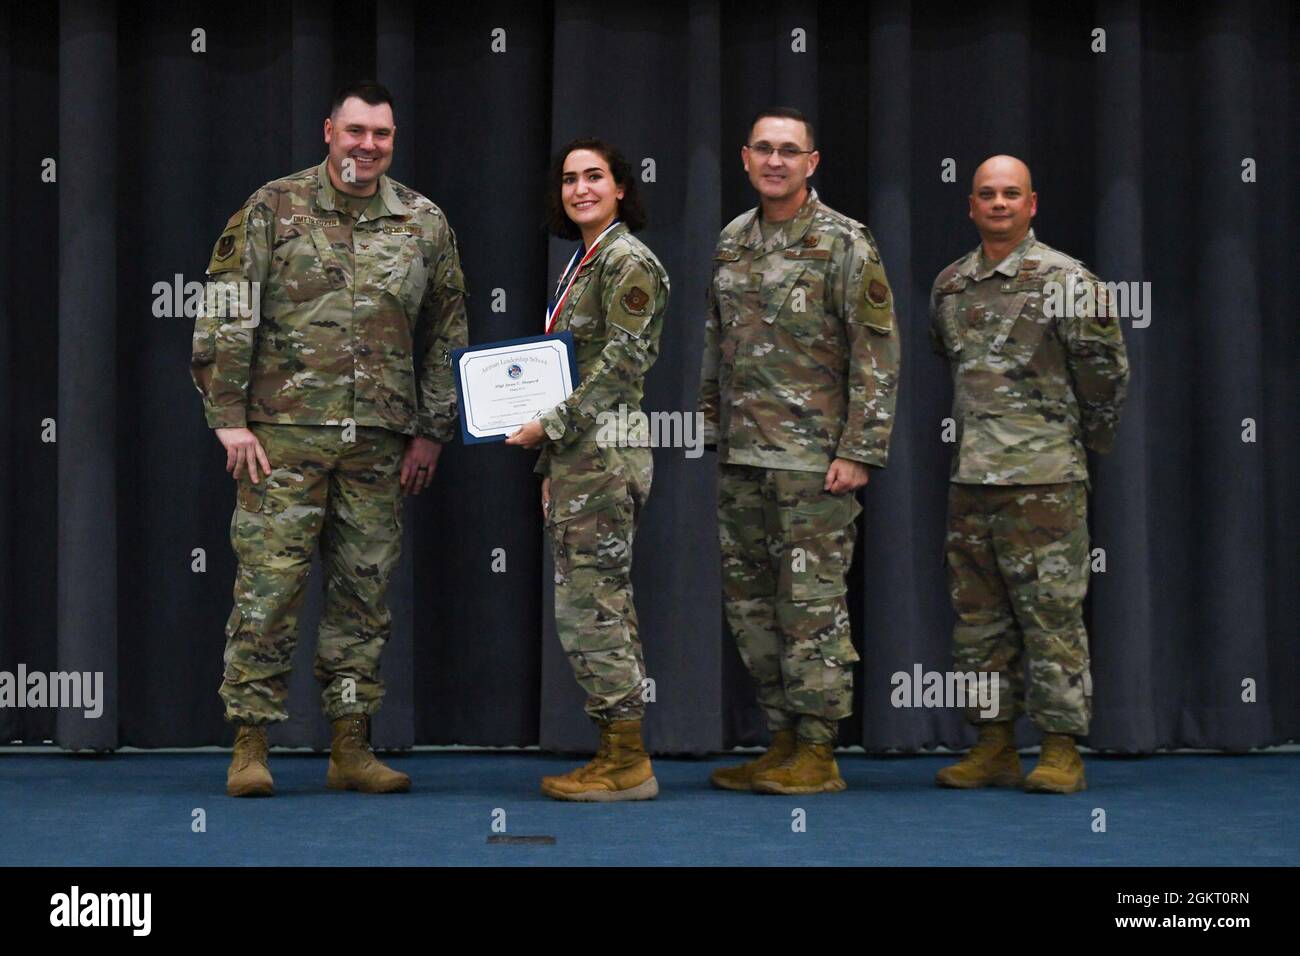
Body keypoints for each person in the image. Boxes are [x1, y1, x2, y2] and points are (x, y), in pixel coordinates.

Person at [191, 80, 468, 797]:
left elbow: (447, 334)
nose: (366, 146)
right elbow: (225, 306)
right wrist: (227, 416)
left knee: (362, 595)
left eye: (380, 134)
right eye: (355, 132)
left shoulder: (423, 221)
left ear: (393, 141)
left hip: (379, 441)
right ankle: (250, 743)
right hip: (282, 437)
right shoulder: (273, 207)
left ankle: (350, 747)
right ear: (328, 132)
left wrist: (432, 431)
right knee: (269, 589)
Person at [698, 108, 900, 794]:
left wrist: (861, 449)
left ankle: (818, 750)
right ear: (745, 158)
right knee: (752, 608)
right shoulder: (732, 241)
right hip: (743, 456)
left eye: (790, 151)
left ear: (812, 163)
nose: (775, 161)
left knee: (811, 608)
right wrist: (708, 428)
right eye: (764, 149)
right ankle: (781, 741)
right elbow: (715, 343)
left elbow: (877, 351)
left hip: (815, 463)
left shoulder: (845, 242)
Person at [929, 155, 1129, 794]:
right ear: (970, 204)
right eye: (986, 194)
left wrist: (1076, 447)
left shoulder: (1068, 279)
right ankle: (992, 744)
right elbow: (951, 364)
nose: (998, 204)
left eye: (1011, 194)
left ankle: (1061, 747)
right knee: (978, 624)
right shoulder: (950, 285)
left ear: (1032, 203)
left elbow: (1105, 374)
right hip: (973, 480)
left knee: (1051, 618)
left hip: (1045, 481)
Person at [505, 137, 669, 801]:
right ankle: (617, 751)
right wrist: (553, 458)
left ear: (621, 187)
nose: (581, 189)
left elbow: (623, 364)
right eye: (570, 180)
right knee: (599, 604)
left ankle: (627, 763)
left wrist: (553, 426)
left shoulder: (627, 260)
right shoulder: (585, 260)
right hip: (580, 458)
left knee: (590, 608)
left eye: (595, 177)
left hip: (602, 454)